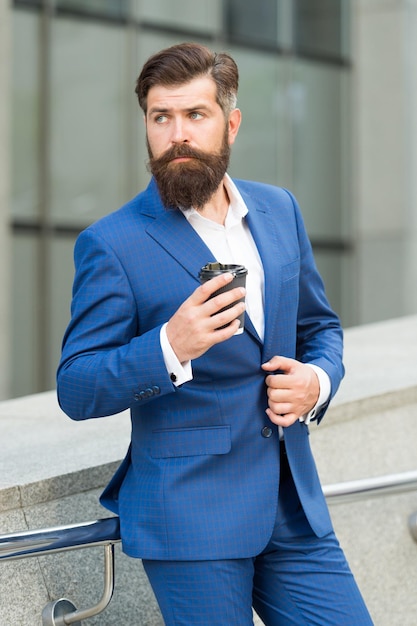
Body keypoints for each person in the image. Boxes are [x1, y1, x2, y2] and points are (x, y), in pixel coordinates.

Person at [57, 42, 373, 625]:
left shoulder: (280, 210)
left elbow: (320, 327)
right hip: (191, 519)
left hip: (294, 510)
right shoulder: (112, 243)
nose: (177, 135)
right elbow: (76, 386)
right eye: (161, 117)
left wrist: (317, 381)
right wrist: (168, 348)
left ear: (230, 123)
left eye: (195, 116)